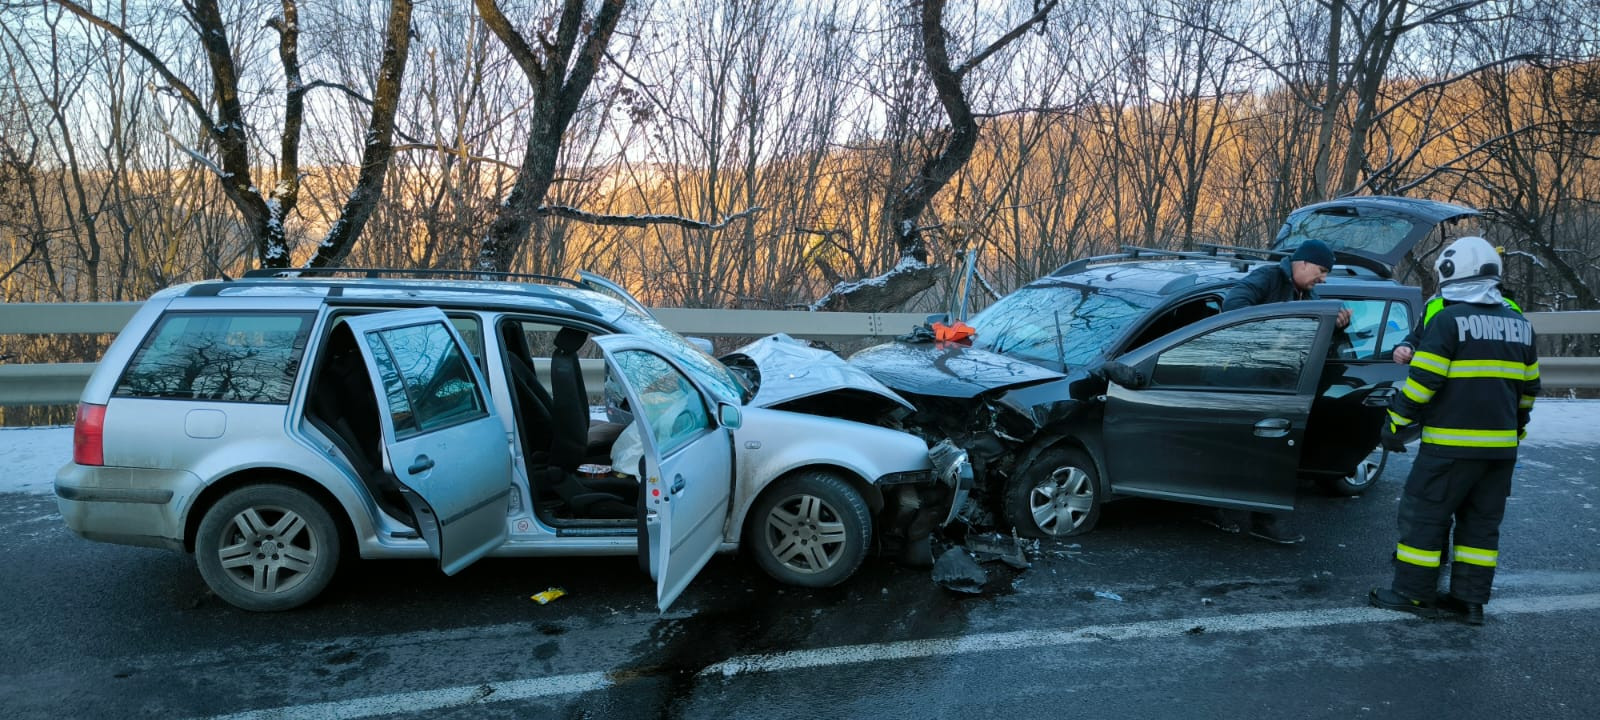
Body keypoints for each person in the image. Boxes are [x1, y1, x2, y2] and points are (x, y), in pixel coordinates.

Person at [1369, 236, 1539, 625]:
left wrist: (1395, 423)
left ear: (1450, 273)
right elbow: (1529, 390)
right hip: (1500, 453)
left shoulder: (1447, 321)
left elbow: (1422, 383)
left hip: (1449, 449)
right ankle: (1469, 602)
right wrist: (1514, 433)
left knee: (1424, 517)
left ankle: (1412, 594)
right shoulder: (1520, 325)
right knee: (1480, 526)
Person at [1200, 238, 1351, 545]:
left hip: (1281, 386)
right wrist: (1276, 332)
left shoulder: (1309, 295)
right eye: (1322, 271)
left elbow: (1312, 338)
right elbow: (1234, 307)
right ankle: (1220, 509)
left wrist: (1336, 327)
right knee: (1238, 451)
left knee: (1271, 453)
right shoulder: (1267, 278)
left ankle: (1262, 518)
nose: (1324, 279)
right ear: (1303, 263)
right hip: (1242, 383)